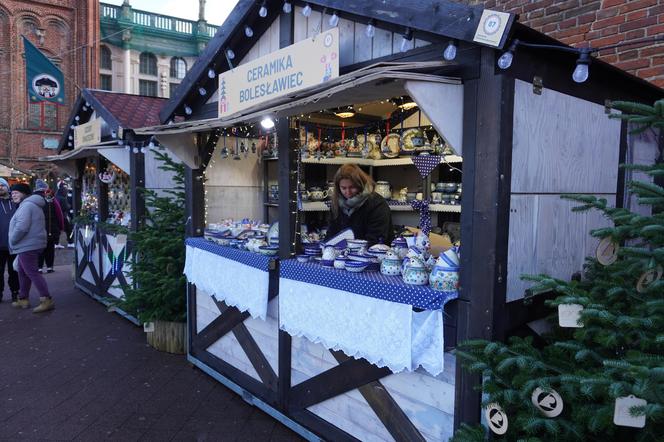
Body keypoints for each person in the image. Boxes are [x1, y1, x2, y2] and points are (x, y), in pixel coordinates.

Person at [9, 183, 54, 313]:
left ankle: (46, 299)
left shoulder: (27, 206)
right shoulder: (29, 205)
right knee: (23, 272)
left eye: (16, 192)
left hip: (27, 245)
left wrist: (13, 240)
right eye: (12, 193)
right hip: (30, 244)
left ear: (24, 193)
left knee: (32, 272)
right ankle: (23, 298)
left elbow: (22, 227)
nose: (13, 195)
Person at [326, 164, 393, 246]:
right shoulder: (337, 204)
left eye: (352, 187)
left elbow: (376, 240)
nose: (348, 192)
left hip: (372, 254)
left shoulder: (377, 204)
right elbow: (331, 235)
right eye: (343, 188)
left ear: (360, 184)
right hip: (342, 254)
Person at [34, 180, 64, 273]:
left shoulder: (32, 199)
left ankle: (39, 267)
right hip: (51, 228)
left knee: (39, 249)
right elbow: (59, 214)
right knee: (50, 248)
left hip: (37, 229)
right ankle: (49, 267)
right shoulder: (51, 198)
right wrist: (61, 227)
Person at [0, 178, 19, 303]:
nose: (0, 187)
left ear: (8, 187)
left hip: (14, 244)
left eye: (2, 185)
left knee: (15, 272)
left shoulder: (16, 203)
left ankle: (15, 293)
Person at [55, 181, 73, 248]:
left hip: (58, 216)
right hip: (63, 216)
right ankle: (70, 242)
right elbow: (66, 207)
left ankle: (56, 243)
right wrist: (69, 206)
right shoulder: (62, 197)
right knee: (69, 229)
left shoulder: (56, 196)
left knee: (58, 230)